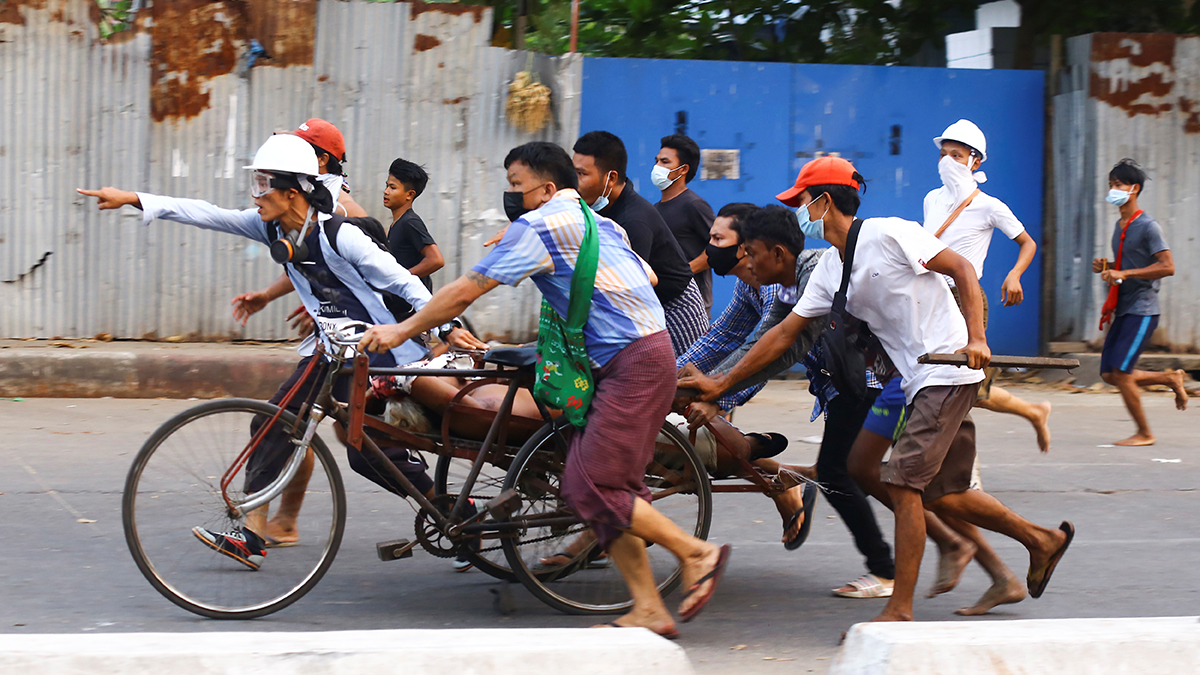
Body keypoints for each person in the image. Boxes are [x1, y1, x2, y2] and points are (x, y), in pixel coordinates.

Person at [358, 141, 729, 638]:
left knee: (588, 486)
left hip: (631, 363)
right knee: (598, 484)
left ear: (548, 188)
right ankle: (648, 607)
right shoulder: (597, 221)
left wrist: (401, 332)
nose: (511, 196)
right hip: (629, 356)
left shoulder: (542, 226)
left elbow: (466, 289)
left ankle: (696, 553)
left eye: (516, 186)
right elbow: (648, 273)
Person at [680, 156, 1073, 623]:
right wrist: (721, 383)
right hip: (910, 380)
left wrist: (977, 337)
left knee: (903, 484)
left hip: (944, 370)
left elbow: (964, 270)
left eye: (802, 201)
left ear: (824, 202)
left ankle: (900, 608)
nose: (798, 211)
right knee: (925, 486)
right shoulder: (830, 267)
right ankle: (1041, 540)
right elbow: (784, 335)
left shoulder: (891, 233)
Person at [78, 134, 479, 570]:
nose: (256, 195)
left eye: (264, 184)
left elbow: (405, 284)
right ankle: (251, 534)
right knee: (271, 421)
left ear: (292, 193)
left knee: (365, 454)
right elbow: (208, 214)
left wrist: (447, 325)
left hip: (376, 354)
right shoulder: (272, 226)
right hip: (331, 353)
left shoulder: (341, 235)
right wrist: (134, 198)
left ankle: (454, 513)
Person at [849, 120, 1050, 614]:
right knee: (938, 474)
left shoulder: (988, 206)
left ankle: (959, 562)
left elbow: (1027, 243)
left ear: (977, 162)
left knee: (924, 468)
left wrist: (1015, 275)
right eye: (946, 150)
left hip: (963, 305)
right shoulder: (930, 202)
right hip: (928, 301)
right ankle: (1006, 554)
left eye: (960, 153)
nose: (950, 159)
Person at [679, 202, 898, 595]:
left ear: (763, 250)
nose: (717, 250)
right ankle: (923, 546)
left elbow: (773, 346)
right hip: (846, 384)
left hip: (876, 378)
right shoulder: (762, 282)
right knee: (852, 473)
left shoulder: (806, 276)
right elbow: (725, 336)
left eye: (722, 241)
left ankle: (909, 555)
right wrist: (671, 378)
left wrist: (719, 391)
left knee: (850, 474)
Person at [573, 131, 709, 355]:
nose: (573, 182)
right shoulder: (599, 209)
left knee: (682, 384)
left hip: (674, 309)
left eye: (581, 174)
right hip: (646, 306)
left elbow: (629, 290)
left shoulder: (635, 220)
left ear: (611, 178)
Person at [1094, 158, 1188, 445]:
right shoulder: (1120, 225)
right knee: (1109, 374)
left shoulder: (1149, 226)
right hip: (1122, 307)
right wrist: (1107, 266)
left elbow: (1168, 266)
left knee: (1121, 372)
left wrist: (1125, 272)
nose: (1113, 190)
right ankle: (1170, 378)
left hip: (1143, 309)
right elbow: (1127, 264)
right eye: (1111, 185)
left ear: (1134, 189)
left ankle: (1145, 433)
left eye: (1118, 185)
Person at [654, 134, 716, 314]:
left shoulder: (694, 205)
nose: (658, 167)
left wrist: (685, 272)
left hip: (692, 304)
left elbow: (719, 247)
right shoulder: (654, 209)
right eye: (657, 161)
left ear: (683, 169)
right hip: (663, 302)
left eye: (665, 162)